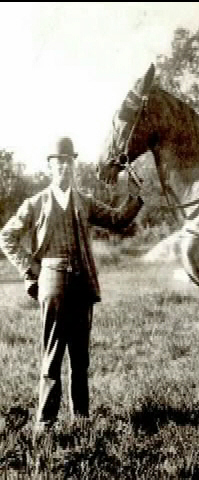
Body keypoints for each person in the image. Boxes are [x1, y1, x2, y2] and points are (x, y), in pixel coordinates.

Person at [0, 136, 143, 435]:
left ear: (73, 165)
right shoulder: (36, 203)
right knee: (52, 353)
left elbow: (117, 219)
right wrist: (31, 268)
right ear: (50, 166)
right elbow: (7, 236)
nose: (64, 166)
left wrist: (135, 196)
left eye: (69, 161)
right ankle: (45, 423)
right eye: (58, 161)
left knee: (81, 356)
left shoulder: (84, 201)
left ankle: (81, 418)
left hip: (82, 283)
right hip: (51, 281)